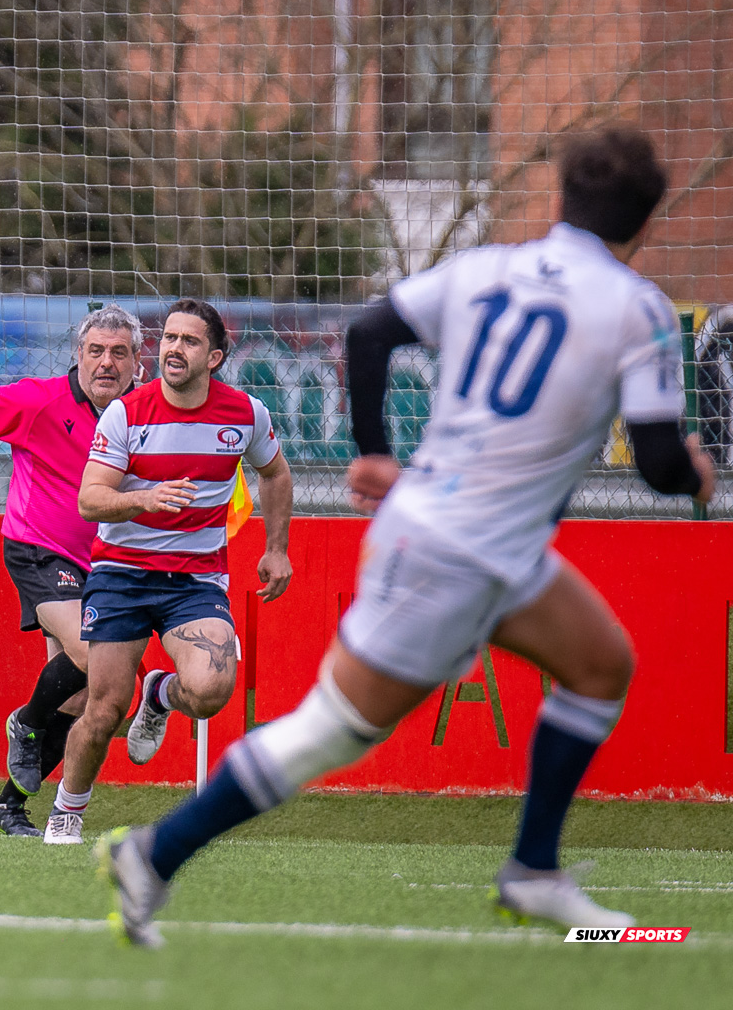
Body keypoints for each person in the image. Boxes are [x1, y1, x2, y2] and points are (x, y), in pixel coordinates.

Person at [98, 125, 717, 947]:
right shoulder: (637, 308)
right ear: (645, 222)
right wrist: (700, 474)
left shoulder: (486, 267)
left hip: (487, 544)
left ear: (560, 200)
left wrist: (377, 455)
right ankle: (153, 853)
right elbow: (660, 462)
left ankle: (533, 871)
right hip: (456, 550)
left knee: (601, 665)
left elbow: (369, 333)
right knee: (330, 731)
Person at [45, 299, 295, 845]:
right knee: (105, 707)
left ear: (215, 357)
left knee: (211, 689)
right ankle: (67, 808)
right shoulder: (128, 413)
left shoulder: (246, 413)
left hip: (195, 581)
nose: (174, 349)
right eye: (169, 339)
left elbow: (275, 474)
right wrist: (146, 499)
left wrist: (277, 549)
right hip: (121, 575)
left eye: (189, 341)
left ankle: (160, 695)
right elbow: (90, 499)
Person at [0, 306, 141, 837]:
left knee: (86, 697)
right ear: (77, 355)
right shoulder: (39, 400)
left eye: (118, 353)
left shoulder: (144, 413)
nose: (106, 363)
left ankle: (8, 806)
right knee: (92, 652)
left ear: (136, 362)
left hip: (105, 565)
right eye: (96, 351)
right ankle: (27, 722)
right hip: (39, 550)